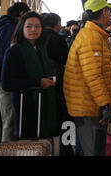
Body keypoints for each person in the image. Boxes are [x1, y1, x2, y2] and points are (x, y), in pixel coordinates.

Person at [63, 0, 111, 156]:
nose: (110, 15)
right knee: (93, 150)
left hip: (88, 103)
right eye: (109, 11)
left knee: (91, 148)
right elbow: (93, 75)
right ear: (104, 12)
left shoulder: (93, 35)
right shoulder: (91, 38)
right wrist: (104, 104)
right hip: (90, 106)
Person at [1, 12, 58, 139]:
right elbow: (7, 84)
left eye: (37, 26)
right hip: (26, 106)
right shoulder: (14, 51)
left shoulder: (41, 48)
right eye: (29, 26)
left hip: (42, 104)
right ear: (21, 28)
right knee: (29, 143)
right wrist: (38, 82)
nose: (33, 29)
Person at [0, 2, 30, 144]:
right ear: (21, 13)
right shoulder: (10, 27)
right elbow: (5, 54)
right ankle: (5, 148)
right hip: (3, 79)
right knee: (8, 118)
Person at [41, 13, 73, 155]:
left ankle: (46, 147)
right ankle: (66, 150)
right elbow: (66, 58)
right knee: (64, 117)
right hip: (58, 81)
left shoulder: (37, 38)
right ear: (58, 24)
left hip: (41, 82)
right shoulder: (57, 39)